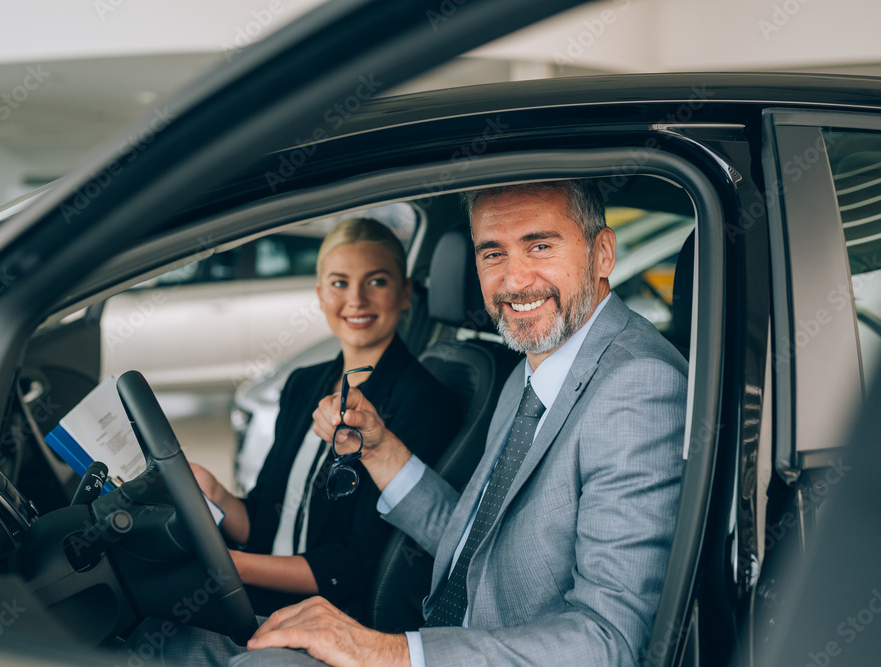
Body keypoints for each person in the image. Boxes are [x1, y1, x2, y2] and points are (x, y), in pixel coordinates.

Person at [230, 180, 689, 666]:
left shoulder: (639, 386)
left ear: (602, 253)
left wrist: (388, 653)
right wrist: (379, 450)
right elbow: (476, 538)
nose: (514, 281)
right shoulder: (531, 367)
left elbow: (609, 642)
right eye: (493, 254)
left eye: (540, 246)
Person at [189, 217, 462, 622]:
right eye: (339, 283)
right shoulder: (302, 384)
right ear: (319, 294)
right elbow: (268, 520)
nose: (355, 300)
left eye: (377, 281)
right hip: (262, 593)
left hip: (330, 617)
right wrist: (217, 495)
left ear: (405, 294)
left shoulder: (423, 400)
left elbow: (358, 564)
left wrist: (234, 567)